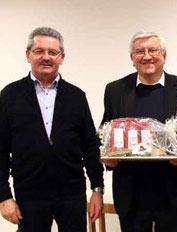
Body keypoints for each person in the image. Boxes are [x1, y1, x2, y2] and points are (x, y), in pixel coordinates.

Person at [0, 27, 104, 232]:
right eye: (39, 51)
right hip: (29, 194)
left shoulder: (76, 96)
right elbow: (0, 149)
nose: (46, 57)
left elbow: (90, 147)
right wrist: (3, 196)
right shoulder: (10, 95)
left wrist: (97, 189)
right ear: (28, 55)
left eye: (53, 52)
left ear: (62, 57)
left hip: (71, 193)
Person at [101, 31, 177, 232]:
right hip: (131, 193)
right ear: (132, 58)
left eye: (153, 50)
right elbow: (106, 131)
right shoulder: (115, 90)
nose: (147, 56)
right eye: (139, 51)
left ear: (164, 56)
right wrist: (107, 157)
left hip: (173, 191)